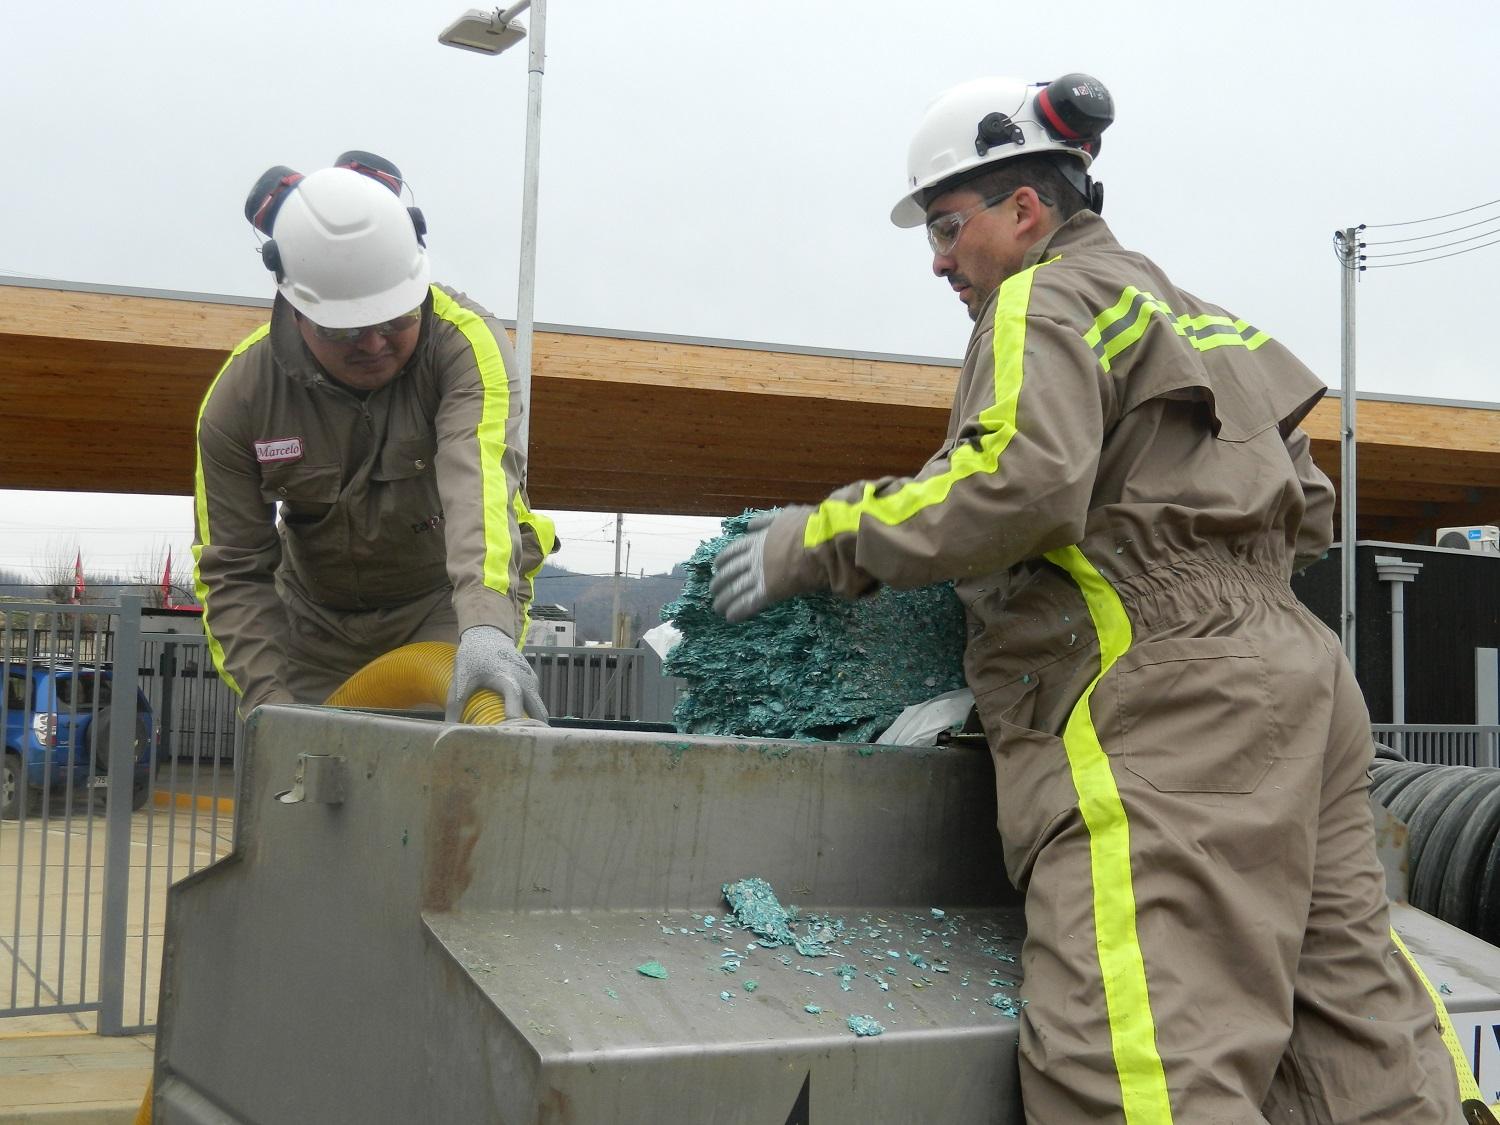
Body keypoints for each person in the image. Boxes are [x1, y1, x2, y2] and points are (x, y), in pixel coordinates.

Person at [712, 76, 1466, 1122]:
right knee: (1359, 1037)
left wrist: (821, 539)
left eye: (945, 225)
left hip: (1162, 703)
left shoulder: (1044, 297)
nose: (938, 259)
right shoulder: (1207, 321)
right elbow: (1312, 511)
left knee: (1142, 1064)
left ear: (1025, 212)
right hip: (1303, 688)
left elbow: (1016, 484)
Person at [193, 152, 554, 723]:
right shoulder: (241, 398)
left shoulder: (465, 347)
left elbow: (479, 492)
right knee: (305, 789)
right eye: (348, 330)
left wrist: (485, 627)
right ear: (295, 306)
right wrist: (268, 704)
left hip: (444, 604)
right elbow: (232, 567)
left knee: (454, 774)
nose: (375, 343)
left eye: (396, 321)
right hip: (313, 627)